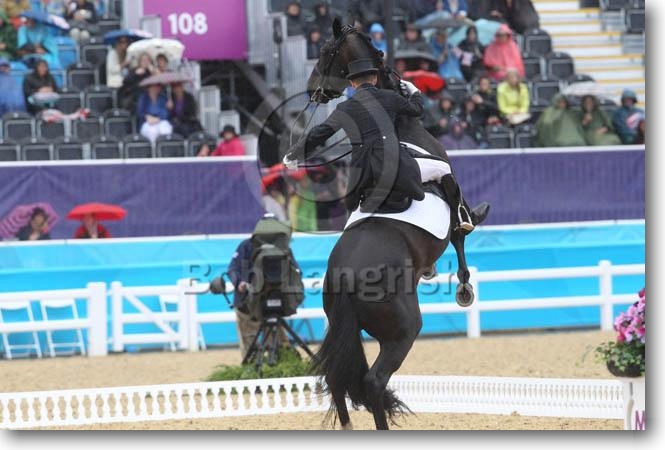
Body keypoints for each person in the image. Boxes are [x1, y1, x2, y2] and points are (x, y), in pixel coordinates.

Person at [284, 58, 488, 232]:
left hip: (362, 173)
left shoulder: (345, 107)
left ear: (352, 83)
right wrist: (415, 91)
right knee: (443, 169)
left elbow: (320, 133)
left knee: (352, 210)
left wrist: (294, 154)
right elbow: (417, 110)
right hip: (394, 165)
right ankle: (464, 216)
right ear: (374, 79)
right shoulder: (390, 97)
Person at [226, 219, 295, 359]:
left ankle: (274, 361)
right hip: (247, 304)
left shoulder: (283, 248)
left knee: (279, 344)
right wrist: (239, 282)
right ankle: (253, 365)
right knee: (250, 343)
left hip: (272, 304)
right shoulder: (246, 246)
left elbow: (294, 271)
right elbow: (232, 269)